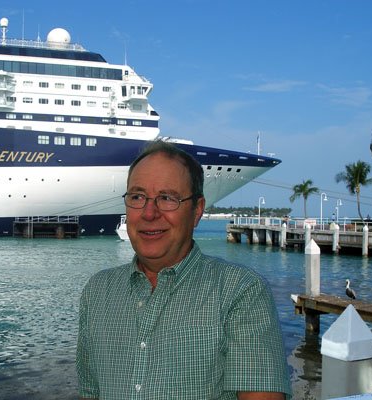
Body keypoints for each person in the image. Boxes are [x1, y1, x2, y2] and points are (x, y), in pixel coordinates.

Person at [76, 140, 291, 399]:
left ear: (197, 210)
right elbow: (90, 393)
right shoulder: (98, 292)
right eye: (137, 197)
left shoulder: (240, 292)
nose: (149, 212)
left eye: (167, 198)